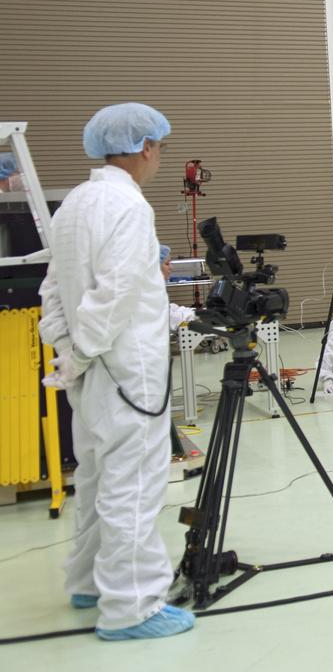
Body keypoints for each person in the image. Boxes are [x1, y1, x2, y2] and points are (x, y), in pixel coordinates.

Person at [37, 102, 195, 640]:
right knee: (132, 487)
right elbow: (117, 294)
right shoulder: (128, 208)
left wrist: (67, 353)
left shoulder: (76, 203)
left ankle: (87, 581)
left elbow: (52, 290)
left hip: (91, 376)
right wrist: (81, 352)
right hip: (128, 374)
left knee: (98, 479)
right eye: (160, 148)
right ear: (146, 147)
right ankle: (132, 607)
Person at [158, 244, 197, 332]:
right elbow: (169, 320)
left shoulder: (153, 290)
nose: (171, 267)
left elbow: (167, 309)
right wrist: (195, 315)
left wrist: (190, 311)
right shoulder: (148, 293)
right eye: (167, 264)